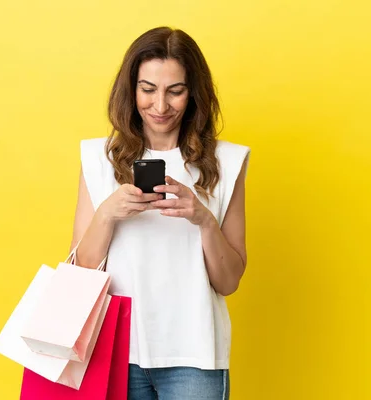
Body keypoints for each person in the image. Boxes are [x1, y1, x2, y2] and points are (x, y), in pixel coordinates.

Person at [71, 26, 249, 400]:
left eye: (176, 91)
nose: (160, 106)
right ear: (131, 89)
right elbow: (80, 272)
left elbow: (229, 282)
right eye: (148, 89)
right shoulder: (99, 159)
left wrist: (202, 219)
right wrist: (107, 213)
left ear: (194, 93)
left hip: (194, 354)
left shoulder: (227, 161)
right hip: (115, 352)